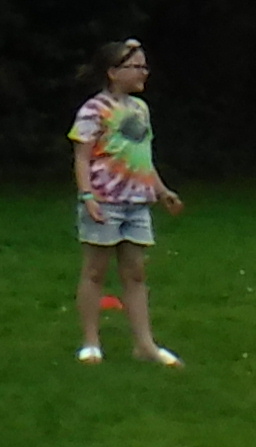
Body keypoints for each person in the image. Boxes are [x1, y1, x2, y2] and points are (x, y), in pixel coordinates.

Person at [68, 36, 186, 368]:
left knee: (135, 274)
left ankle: (144, 345)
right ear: (112, 72)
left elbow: (143, 157)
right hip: (105, 201)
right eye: (135, 66)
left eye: (144, 66)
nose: (143, 72)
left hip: (138, 202)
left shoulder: (140, 110)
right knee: (94, 271)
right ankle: (91, 343)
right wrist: (87, 196)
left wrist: (162, 191)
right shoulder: (93, 110)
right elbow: (81, 157)